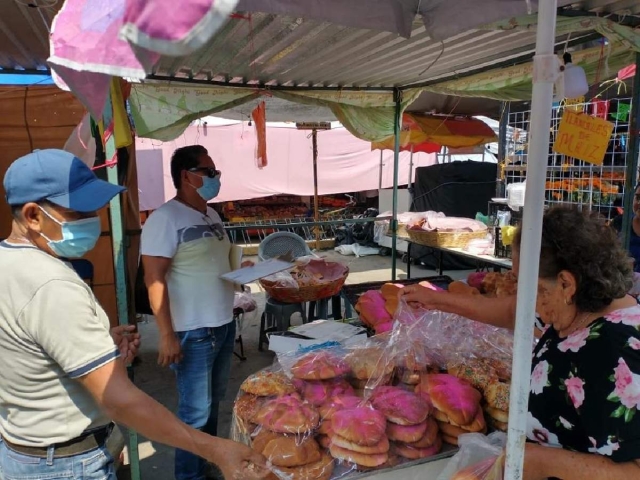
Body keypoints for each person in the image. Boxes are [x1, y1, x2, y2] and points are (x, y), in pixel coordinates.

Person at [0, 149, 268, 480]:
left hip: (26, 449)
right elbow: (120, 401)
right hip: (66, 463)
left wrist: (98, 347)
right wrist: (216, 449)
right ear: (32, 215)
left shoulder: (9, 263)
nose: (92, 219)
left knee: (209, 405)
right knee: (196, 412)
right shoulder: (52, 285)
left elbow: (25, 347)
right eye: (79, 211)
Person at [402, 206, 640, 480]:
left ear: (566, 283)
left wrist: (539, 462)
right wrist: (436, 300)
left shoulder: (615, 351)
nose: (523, 294)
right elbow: (512, 312)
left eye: (527, 283)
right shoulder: (574, 307)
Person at [141, 145, 246, 480]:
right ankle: (190, 476)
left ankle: (207, 465)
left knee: (213, 405)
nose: (216, 178)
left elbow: (219, 262)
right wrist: (167, 335)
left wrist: (246, 271)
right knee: (193, 414)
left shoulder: (211, 215)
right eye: (209, 172)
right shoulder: (165, 218)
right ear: (187, 176)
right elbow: (153, 278)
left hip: (223, 323)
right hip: (193, 331)